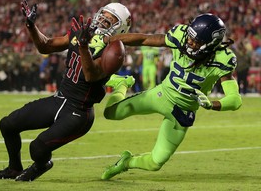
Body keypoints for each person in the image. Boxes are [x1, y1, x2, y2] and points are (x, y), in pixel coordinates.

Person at [0, 0, 132, 181]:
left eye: (111, 20)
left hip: (78, 112)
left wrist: (83, 47)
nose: (103, 20)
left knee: (37, 149)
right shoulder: (81, 33)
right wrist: (31, 26)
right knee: (7, 125)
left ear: (121, 28)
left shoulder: (114, 50)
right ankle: (14, 168)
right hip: (59, 99)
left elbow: (90, 76)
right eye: (103, 15)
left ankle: (42, 164)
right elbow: (45, 45)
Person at [100, 13, 242, 180]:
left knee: (155, 163)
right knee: (110, 113)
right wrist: (109, 40)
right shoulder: (181, 35)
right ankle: (122, 84)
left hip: (182, 112)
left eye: (196, 42)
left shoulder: (223, 59)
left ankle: (126, 163)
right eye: (190, 37)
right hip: (161, 94)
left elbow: (235, 99)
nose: (189, 42)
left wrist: (212, 104)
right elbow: (145, 40)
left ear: (211, 44)